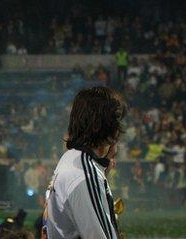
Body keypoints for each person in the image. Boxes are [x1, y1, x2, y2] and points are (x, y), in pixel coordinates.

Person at [45, 86, 126, 239]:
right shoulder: (85, 174)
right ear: (107, 126)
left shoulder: (70, 158)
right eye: (117, 121)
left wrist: (103, 167)